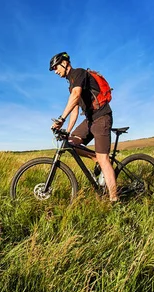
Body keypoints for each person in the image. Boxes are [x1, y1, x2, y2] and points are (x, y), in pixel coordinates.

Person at [49, 52, 119, 202]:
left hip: (101, 117)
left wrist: (61, 118)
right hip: (89, 120)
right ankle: (95, 158)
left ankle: (115, 200)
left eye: (56, 67)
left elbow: (75, 95)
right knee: (70, 143)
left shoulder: (79, 73)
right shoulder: (71, 85)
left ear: (65, 63)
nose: (55, 71)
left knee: (104, 159)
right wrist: (66, 132)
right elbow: (74, 112)